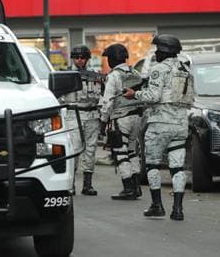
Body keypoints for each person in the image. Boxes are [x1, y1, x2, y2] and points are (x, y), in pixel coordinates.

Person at [124, 34, 194, 221]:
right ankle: (177, 209)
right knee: (177, 168)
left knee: (153, 164)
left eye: (158, 50)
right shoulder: (186, 69)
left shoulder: (158, 69)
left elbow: (153, 96)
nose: (156, 53)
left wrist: (134, 94)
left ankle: (157, 205)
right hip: (181, 123)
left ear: (164, 50)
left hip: (160, 124)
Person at [99, 44, 144, 201]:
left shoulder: (114, 76)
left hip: (121, 118)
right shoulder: (136, 73)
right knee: (132, 151)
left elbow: (108, 101)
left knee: (120, 152)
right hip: (137, 117)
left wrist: (103, 121)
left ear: (112, 59)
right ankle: (136, 187)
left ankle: (128, 188)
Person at [64, 45, 102, 196]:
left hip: (92, 115)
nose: (80, 60)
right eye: (77, 57)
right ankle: (71, 184)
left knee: (90, 150)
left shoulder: (95, 75)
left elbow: (103, 95)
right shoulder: (66, 75)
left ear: (87, 59)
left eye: (83, 57)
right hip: (74, 114)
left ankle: (87, 184)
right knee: (74, 151)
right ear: (73, 58)